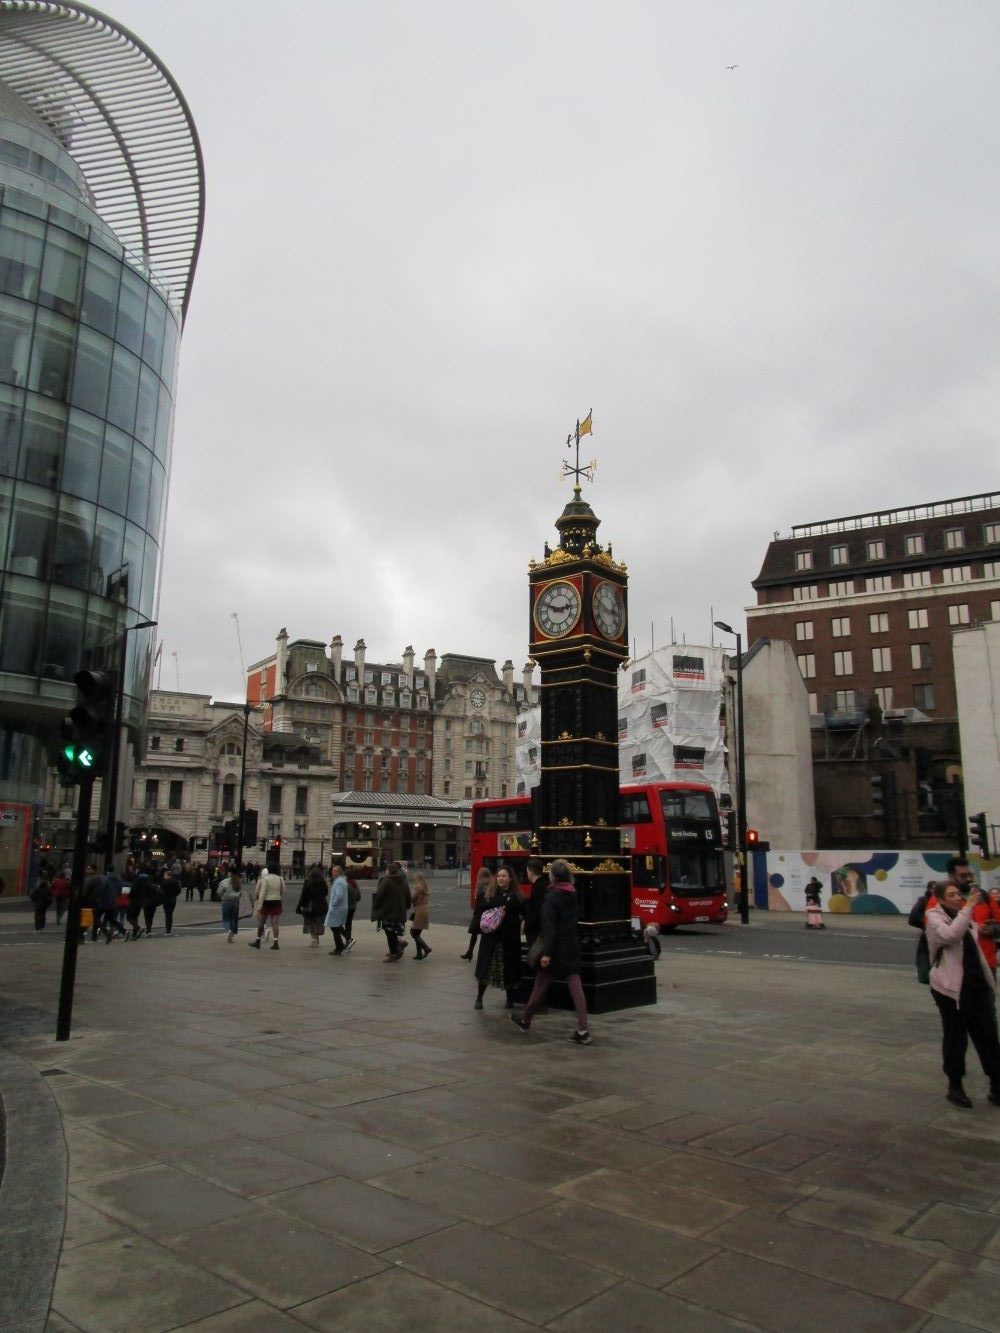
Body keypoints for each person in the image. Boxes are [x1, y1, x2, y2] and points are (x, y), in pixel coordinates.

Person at [925, 882, 1000, 1108]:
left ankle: (997, 1084)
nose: (958, 897)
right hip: (950, 990)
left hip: (977, 985)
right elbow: (950, 936)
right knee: (955, 1037)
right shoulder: (934, 917)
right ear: (940, 899)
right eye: (952, 894)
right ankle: (955, 1085)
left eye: (959, 893)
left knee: (988, 1036)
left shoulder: (962, 915)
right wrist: (968, 907)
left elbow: (974, 933)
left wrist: (990, 929)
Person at [511, 858, 591, 1044]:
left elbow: (549, 927)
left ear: (552, 877)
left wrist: (546, 953)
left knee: (540, 985)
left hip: (555, 949)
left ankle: (525, 1020)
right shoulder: (572, 894)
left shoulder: (552, 896)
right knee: (576, 989)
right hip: (571, 946)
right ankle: (583, 1029)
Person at [473, 863, 523, 1010]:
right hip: (491, 938)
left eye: (504, 876)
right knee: (486, 969)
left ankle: (510, 999)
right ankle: (479, 998)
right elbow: (479, 912)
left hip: (509, 939)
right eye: (499, 876)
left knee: (509, 970)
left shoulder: (516, 896)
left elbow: (521, 912)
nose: (501, 878)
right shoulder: (489, 894)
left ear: (510, 879)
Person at [371, 861, 411, 961]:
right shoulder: (403, 881)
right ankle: (397, 947)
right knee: (394, 932)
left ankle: (395, 952)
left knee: (389, 932)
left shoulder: (386, 880)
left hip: (388, 911)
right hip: (400, 912)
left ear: (388, 870)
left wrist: (376, 907)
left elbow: (379, 896)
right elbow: (408, 897)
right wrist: (406, 907)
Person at [249, 864, 284, 949]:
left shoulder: (265, 879)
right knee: (275, 923)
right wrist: (279, 897)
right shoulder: (280, 879)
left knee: (261, 922)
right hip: (276, 901)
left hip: (267, 902)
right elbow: (283, 890)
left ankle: (258, 940)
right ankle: (276, 942)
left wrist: (259, 905)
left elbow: (263, 892)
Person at [462, 867, 493, 960]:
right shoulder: (491, 884)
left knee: (474, 934)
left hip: (480, 914)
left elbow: (480, 901)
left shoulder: (481, 885)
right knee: (485, 935)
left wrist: (476, 912)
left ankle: (470, 952)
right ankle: (481, 954)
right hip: (487, 914)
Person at [296, 863, 329, 948]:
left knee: (311, 922)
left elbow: (303, 895)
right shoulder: (323, 883)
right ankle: (317, 939)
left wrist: (299, 906)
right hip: (321, 905)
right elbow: (326, 893)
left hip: (310, 905)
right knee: (318, 922)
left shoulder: (308, 882)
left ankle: (314, 939)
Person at [522, 857, 549, 950]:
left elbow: (537, 910)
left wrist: (528, 925)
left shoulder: (539, 887)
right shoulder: (542, 884)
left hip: (536, 932)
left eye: (527, 871)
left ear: (531, 871)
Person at [324, 862, 350, 954]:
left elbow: (339, 896)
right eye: (332, 871)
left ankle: (342, 944)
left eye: (335, 871)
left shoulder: (339, 882)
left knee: (334, 926)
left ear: (339, 872)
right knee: (336, 926)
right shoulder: (342, 880)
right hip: (341, 907)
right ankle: (342, 944)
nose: (332, 872)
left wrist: (334, 905)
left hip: (337, 908)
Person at [409, 870, 431, 959]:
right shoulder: (426, 887)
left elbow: (412, 898)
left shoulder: (418, 887)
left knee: (413, 933)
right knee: (417, 933)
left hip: (420, 910)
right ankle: (419, 954)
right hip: (425, 910)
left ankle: (426, 948)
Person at [218, 866, 243, 941]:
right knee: (232, 919)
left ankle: (228, 931)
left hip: (226, 901)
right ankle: (232, 934)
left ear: (230, 873)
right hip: (235, 902)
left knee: (225, 919)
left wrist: (221, 897)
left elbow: (219, 892)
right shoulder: (238, 881)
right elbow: (240, 892)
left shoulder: (225, 881)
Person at [345, 874, 360, 946]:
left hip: (345, 907)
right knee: (348, 924)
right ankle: (348, 940)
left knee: (338, 924)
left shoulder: (345, 884)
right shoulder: (355, 884)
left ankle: (348, 938)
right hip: (353, 907)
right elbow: (359, 897)